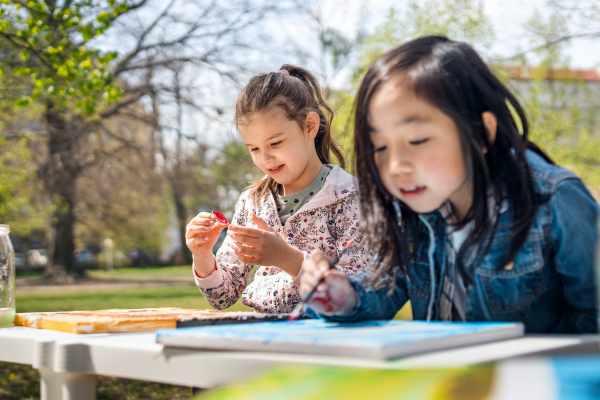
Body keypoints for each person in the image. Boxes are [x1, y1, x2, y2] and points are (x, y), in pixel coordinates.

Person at [299, 36, 600, 333]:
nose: (395, 165)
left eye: (417, 140)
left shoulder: (556, 200)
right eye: (379, 146)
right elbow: (382, 288)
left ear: (482, 133)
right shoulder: (411, 211)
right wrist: (341, 296)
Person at [185, 65, 372, 313]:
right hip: (263, 342)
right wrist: (202, 254)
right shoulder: (252, 203)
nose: (265, 158)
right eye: (254, 148)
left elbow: (357, 296)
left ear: (310, 126)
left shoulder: (350, 197)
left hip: (327, 341)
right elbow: (223, 296)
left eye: (275, 143)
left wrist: (287, 258)